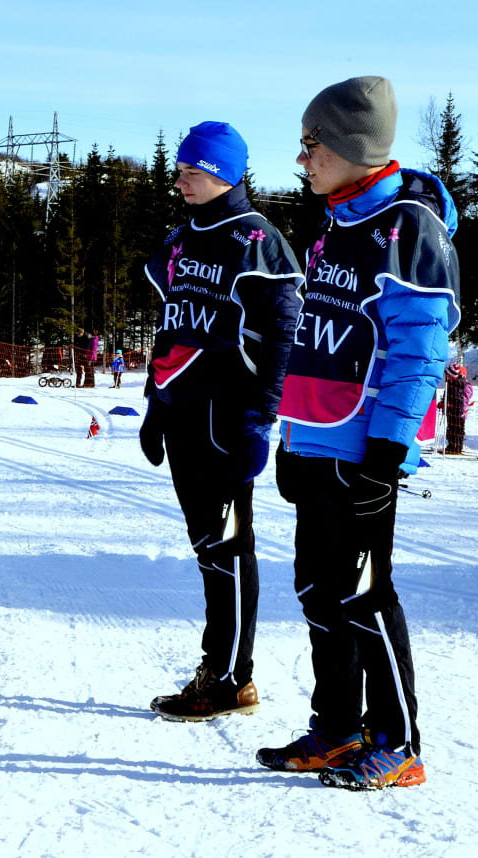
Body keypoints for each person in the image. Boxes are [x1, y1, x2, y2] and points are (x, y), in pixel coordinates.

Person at [259, 76, 460, 790]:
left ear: (352, 147)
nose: (303, 159)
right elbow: (314, 341)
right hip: (315, 439)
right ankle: (340, 728)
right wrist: (290, 437)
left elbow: (419, 350)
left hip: (364, 450)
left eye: (312, 145)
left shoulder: (409, 226)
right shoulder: (335, 223)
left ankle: (399, 743)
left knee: (364, 594)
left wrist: (389, 448)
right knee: (318, 589)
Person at [138, 121, 304, 721]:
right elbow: (171, 328)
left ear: (224, 174)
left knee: (229, 547)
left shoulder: (256, 239)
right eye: (179, 170)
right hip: (182, 413)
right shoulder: (181, 240)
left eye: (192, 171)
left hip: (226, 417)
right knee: (208, 547)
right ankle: (220, 669)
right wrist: (155, 402)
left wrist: (261, 416)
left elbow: (284, 332)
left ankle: (232, 678)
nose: (180, 181)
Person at [442, 362, 471, 454]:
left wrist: (449, 404)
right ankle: (452, 445)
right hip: (452, 410)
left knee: (457, 429)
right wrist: (443, 402)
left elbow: (458, 399)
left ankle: (456, 446)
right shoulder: (451, 383)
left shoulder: (457, 384)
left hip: (458, 411)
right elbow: (447, 395)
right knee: (451, 428)